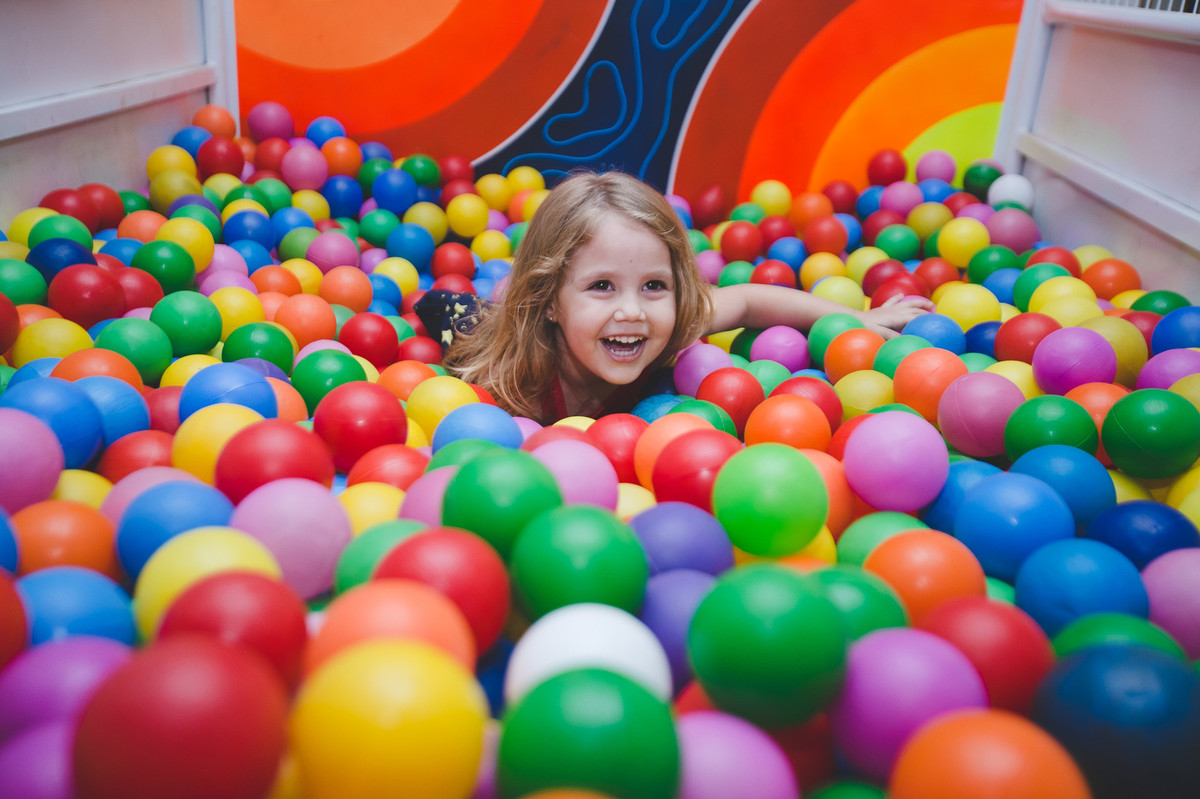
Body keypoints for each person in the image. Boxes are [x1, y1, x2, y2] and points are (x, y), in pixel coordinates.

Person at [420, 170, 932, 424]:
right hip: (486, 325)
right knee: (451, 308)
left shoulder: (667, 327)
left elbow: (751, 298)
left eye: (654, 285)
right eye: (601, 286)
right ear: (551, 299)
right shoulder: (511, 385)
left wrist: (859, 320)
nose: (632, 310)